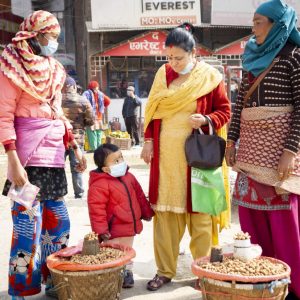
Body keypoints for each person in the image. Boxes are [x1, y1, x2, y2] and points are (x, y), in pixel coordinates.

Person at [0, 10, 86, 300]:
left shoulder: (55, 69)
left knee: (58, 223)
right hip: (25, 160)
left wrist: (74, 147)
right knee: (27, 227)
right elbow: (4, 116)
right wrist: (12, 161)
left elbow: (58, 113)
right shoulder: (11, 65)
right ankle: (20, 289)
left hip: (52, 158)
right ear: (35, 35)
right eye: (51, 37)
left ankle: (53, 280)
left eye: (57, 39)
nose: (54, 43)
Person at [140, 23, 231, 291]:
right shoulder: (162, 74)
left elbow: (224, 110)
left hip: (198, 157)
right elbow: (153, 109)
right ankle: (164, 271)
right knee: (165, 217)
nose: (173, 63)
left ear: (193, 53)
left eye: (178, 57)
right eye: (169, 57)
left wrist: (206, 118)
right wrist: (147, 142)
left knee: (201, 217)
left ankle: (203, 271)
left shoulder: (210, 77)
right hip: (166, 159)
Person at [225, 1, 300, 299]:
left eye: (258, 22)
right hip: (249, 154)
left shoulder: (294, 58)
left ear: (277, 25)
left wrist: (290, 151)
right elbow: (240, 104)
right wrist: (231, 141)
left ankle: (292, 287)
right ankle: (261, 286)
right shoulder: (252, 59)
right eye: (253, 22)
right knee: (251, 221)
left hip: (278, 152)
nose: (253, 28)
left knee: (284, 224)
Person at [87, 143, 154, 288]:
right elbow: (96, 211)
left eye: (121, 158)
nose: (121, 162)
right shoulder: (99, 184)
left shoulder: (129, 177)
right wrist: (101, 231)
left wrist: (146, 212)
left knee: (127, 252)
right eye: (116, 161)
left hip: (130, 225)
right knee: (114, 254)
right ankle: (115, 275)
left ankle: (127, 272)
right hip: (113, 228)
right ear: (105, 168)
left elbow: (140, 196)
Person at [62, 76, 94, 199]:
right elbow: (91, 120)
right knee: (77, 166)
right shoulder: (83, 100)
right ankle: (79, 193)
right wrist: (81, 125)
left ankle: (61, 193)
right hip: (77, 138)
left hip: (60, 139)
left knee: (59, 167)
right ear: (74, 87)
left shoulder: (56, 100)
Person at [82, 81, 111, 151]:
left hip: (91, 117)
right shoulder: (100, 94)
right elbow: (108, 101)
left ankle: (94, 148)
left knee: (92, 133)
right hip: (99, 117)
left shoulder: (86, 93)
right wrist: (103, 107)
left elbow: (82, 102)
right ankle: (99, 148)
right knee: (98, 132)